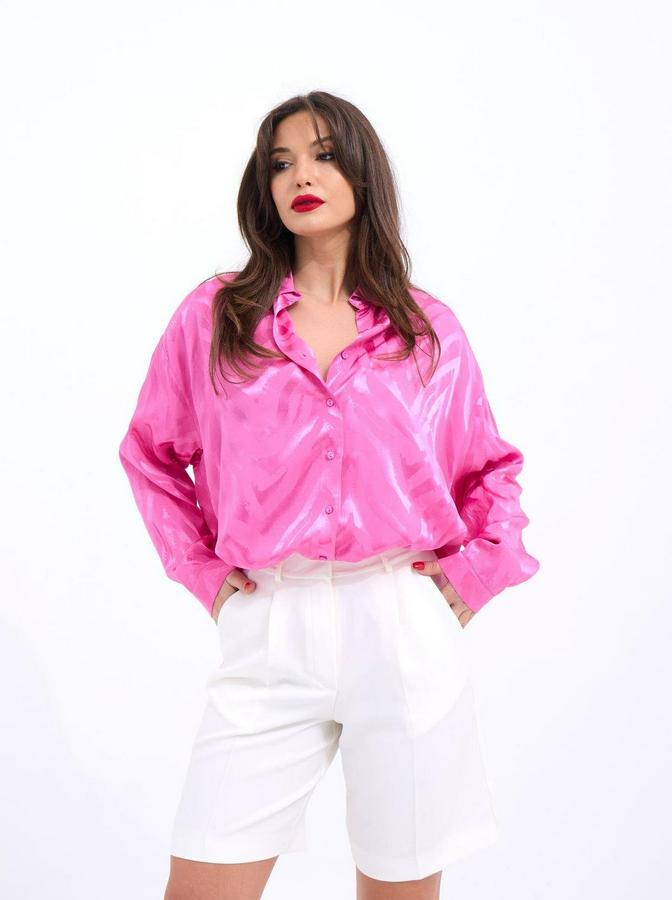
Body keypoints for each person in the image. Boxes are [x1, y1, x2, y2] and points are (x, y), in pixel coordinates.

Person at [118, 91, 540, 900]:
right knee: (203, 877)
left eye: (323, 155)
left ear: (362, 172)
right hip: (270, 623)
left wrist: (475, 574)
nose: (300, 176)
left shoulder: (426, 330)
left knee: (399, 887)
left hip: (402, 629)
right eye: (281, 163)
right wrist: (205, 575)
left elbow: (491, 469)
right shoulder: (216, 317)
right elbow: (151, 454)